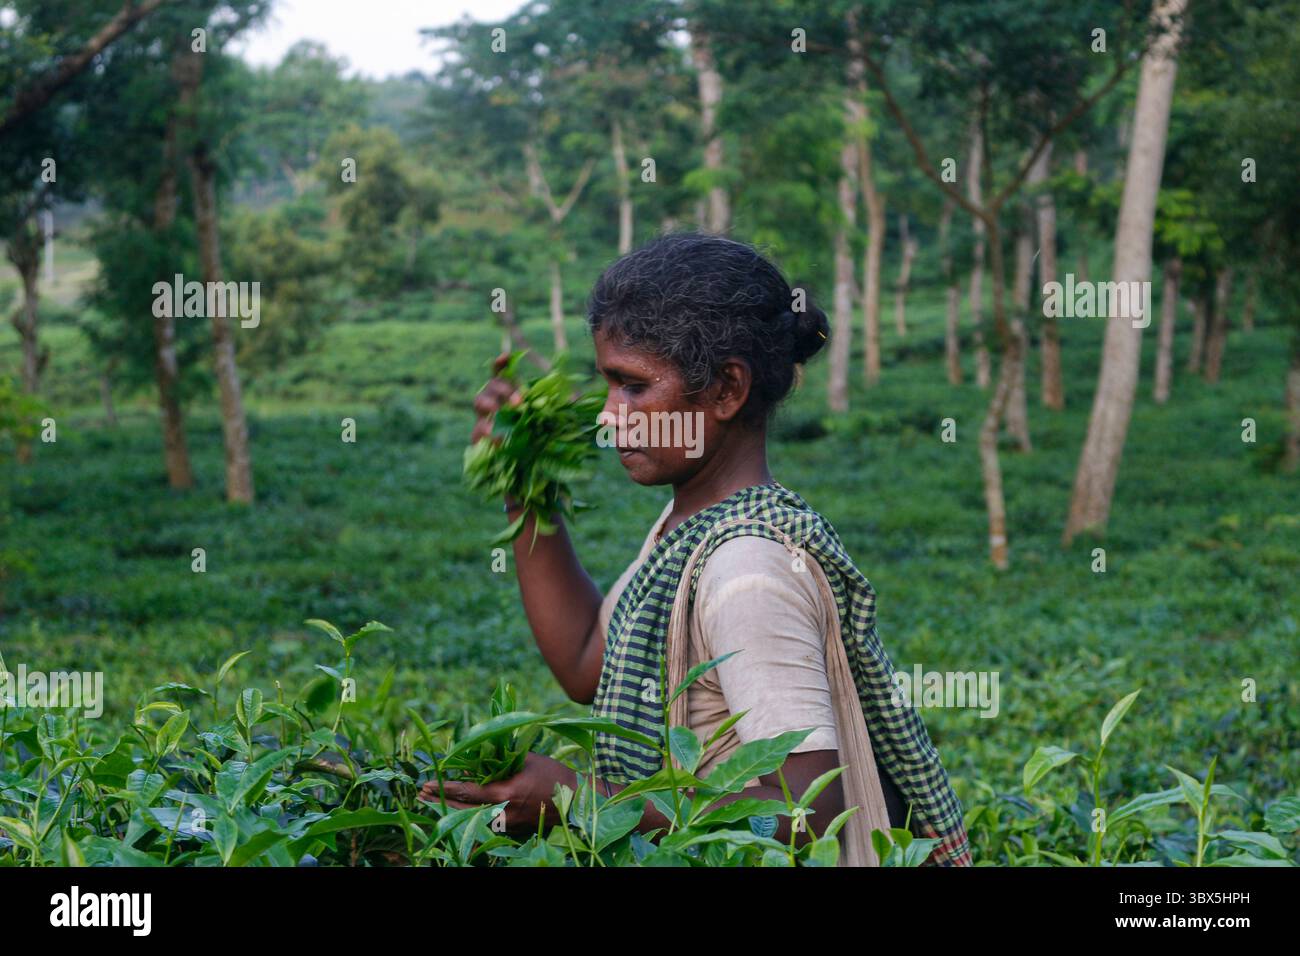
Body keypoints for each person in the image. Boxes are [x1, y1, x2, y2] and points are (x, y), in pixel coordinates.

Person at [420, 232, 971, 866]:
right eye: (607, 385)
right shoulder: (689, 531)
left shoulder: (748, 571)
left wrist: (586, 803)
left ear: (727, 390)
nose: (609, 415)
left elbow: (808, 811)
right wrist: (526, 487)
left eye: (632, 386)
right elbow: (582, 663)